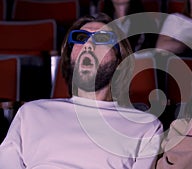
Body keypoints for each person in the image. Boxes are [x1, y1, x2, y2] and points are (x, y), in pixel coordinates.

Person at [0, 13, 163, 169]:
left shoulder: (145, 126)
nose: (88, 45)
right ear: (70, 55)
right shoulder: (31, 113)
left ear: (120, 59)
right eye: (81, 38)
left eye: (102, 38)